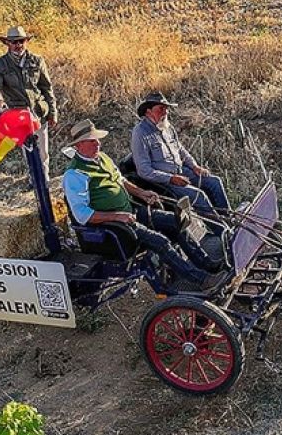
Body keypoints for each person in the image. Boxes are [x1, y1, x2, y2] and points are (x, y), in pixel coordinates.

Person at [62, 119, 226, 290]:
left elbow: (121, 180)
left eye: (97, 139)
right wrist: (117, 216)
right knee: (160, 241)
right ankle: (202, 280)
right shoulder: (75, 175)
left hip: (130, 212)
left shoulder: (102, 158)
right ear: (79, 145)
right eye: (92, 140)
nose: (98, 143)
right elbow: (83, 215)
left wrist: (142, 193)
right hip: (114, 227)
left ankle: (208, 264)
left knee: (177, 221)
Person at [131, 92, 231, 222]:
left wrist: (194, 166)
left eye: (166, 108)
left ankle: (228, 219)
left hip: (181, 171)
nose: (165, 112)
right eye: (161, 109)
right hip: (164, 181)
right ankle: (220, 229)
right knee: (198, 195)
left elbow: (181, 150)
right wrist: (171, 178)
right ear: (148, 111)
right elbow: (144, 170)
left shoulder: (167, 127)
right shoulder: (140, 133)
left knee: (214, 182)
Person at [0, 26, 57, 178]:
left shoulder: (37, 61)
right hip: (19, 116)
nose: (18, 45)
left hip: (39, 112)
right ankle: (34, 179)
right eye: (14, 42)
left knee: (43, 152)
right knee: (29, 151)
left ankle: (43, 181)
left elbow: (46, 87)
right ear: (8, 44)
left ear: (26, 41)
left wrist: (53, 112)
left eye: (21, 41)